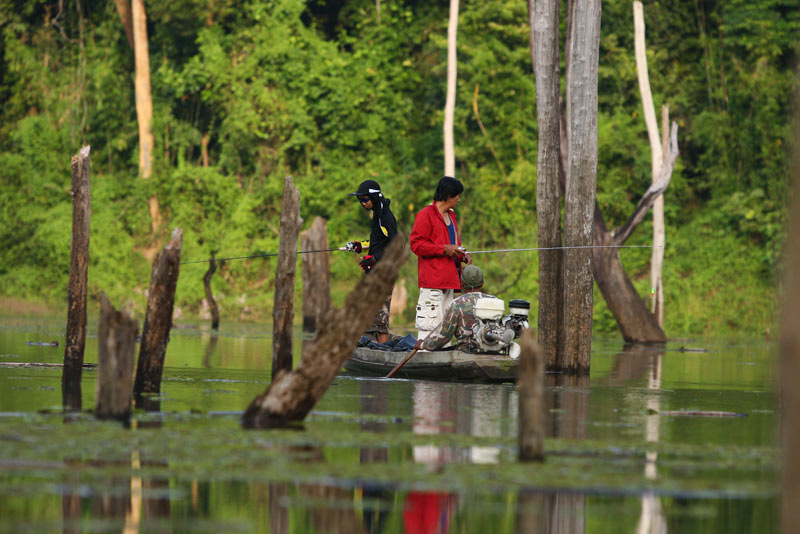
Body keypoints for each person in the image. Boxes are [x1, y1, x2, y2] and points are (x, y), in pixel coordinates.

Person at [409, 176, 471, 341]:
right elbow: (416, 245)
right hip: (433, 283)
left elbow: (455, 245)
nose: (459, 199)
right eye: (457, 195)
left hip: (449, 282)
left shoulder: (452, 217)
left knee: (445, 328)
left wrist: (462, 254)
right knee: (429, 326)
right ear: (449, 195)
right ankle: (424, 358)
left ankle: (441, 361)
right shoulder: (425, 215)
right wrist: (444, 249)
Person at [346, 179, 398, 344]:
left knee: (381, 322)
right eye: (359, 199)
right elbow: (380, 242)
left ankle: (382, 352)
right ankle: (372, 348)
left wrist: (375, 259)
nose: (362, 203)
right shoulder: (378, 213)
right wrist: (360, 246)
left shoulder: (386, 217)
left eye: (365, 199)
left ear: (374, 198)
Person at [414, 265, 493, 352]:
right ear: (482, 283)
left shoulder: (456, 304)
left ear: (462, 283)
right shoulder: (494, 301)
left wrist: (422, 345)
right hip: (493, 350)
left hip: (467, 352)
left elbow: (443, 338)